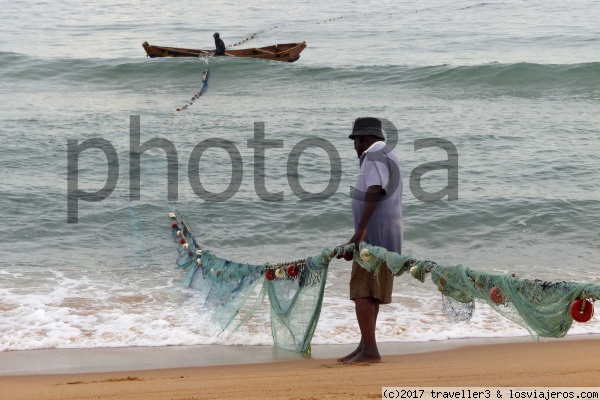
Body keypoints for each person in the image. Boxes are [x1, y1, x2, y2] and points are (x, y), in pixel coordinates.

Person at [336, 117, 403, 364]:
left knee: (362, 293)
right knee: (372, 293)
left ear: (362, 139)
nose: (355, 149)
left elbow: (375, 190)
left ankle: (371, 351)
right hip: (384, 237)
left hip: (373, 240)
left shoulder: (373, 154)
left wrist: (361, 229)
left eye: (355, 142)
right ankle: (365, 345)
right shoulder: (385, 154)